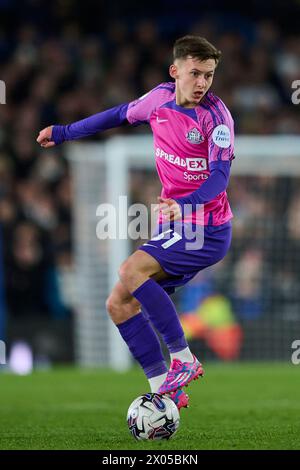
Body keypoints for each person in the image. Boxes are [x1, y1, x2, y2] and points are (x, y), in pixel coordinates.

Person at [37, 35, 234, 411]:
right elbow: (114, 115)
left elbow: (220, 177)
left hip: (206, 228)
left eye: (209, 75)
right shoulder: (157, 101)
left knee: (130, 270)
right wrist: (63, 133)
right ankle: (164, 391)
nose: (203, 83)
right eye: (195, 73)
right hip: (180, 225)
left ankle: (184, 358)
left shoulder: (217, 118)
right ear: (175, 71)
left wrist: (186, 203)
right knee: (118, 303)